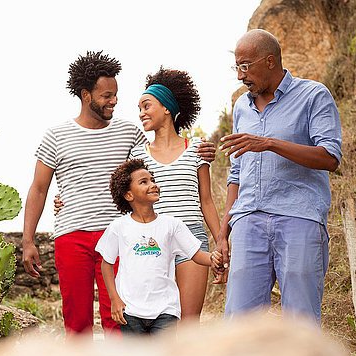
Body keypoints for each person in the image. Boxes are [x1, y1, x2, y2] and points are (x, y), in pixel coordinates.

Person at [22, 51, 215, 337]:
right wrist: (28, 239)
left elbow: (157, 158)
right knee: (76, 321)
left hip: (121, 235)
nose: (114, 101)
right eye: (107, 95)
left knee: (121, 319)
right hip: (71, 234)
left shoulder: (129, 134)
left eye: (115, 95)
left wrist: (201, 149)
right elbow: (38, 189)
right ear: (86, 95)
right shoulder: (56, 135)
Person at [215, 29, 342, 324]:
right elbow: (236, 173)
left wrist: (270, 143)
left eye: (245, 66)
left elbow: (330, 157)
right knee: (238, 325)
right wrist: (223, 233)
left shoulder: (313, 95)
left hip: (299, 217)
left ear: (270, 61)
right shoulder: (241, 107)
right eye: (237, 67)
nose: (240, 76)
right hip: (247, 221)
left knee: (301, 323)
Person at [129, 67, 225, 322]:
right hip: (152, 241)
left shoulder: (196, 149)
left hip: (191, 237)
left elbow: (206, 201)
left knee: (188, 322)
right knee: (157, 321)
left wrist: (221, 244)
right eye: (139, 109)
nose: (141, 113)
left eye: (146, 106)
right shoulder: (138, 155)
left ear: (167, 108)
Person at [96, 159, 222, 336]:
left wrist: (213, 258)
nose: (153, 185)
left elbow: (196, 255)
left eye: (152, 179)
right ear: (129, 195)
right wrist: (114, 299)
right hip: (130, 310)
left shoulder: (172, 225)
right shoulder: (118, 227)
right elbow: (106, 264)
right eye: (144, 182)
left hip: (166, 309)